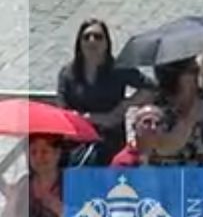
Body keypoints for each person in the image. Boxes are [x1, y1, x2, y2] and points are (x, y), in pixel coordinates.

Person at [57, 18, 146, 165]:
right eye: (86, 37)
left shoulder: (119, 69)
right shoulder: (67, 73)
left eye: (98, 37)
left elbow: (150, 87)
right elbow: (63, 109)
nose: (92, 41)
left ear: (106, 43)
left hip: (110, 140)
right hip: (78, 141)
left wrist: (123, 107)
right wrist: (88, 119)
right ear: (79, 43)